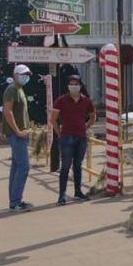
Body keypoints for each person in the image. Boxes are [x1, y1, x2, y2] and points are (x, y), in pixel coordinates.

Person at [49, 75, 96, 206]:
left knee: (78, 165)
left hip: (81, 137)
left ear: (80, 85)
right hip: (66, 137)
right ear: (68, 86)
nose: (74, 86)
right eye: (71, 83)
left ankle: (78, 192)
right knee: (65, 166)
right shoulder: (61, 100)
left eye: (76, 83)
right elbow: (53, 119)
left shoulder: (86, 101)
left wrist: (85, 127)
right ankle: (62, 195)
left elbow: (93, 117)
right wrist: (59, 133)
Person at [3, 64, 34, 212]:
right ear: (15, 75)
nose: (26, 77)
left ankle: (15, 200)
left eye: (27, 74)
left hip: (21, 133)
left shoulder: (19, 89)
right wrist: (17, 131)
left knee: (16, 167)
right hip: (17, 135)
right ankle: (15, 202)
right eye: (23, 74)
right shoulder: (12, 90)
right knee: (24, 167)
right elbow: (8, 112)